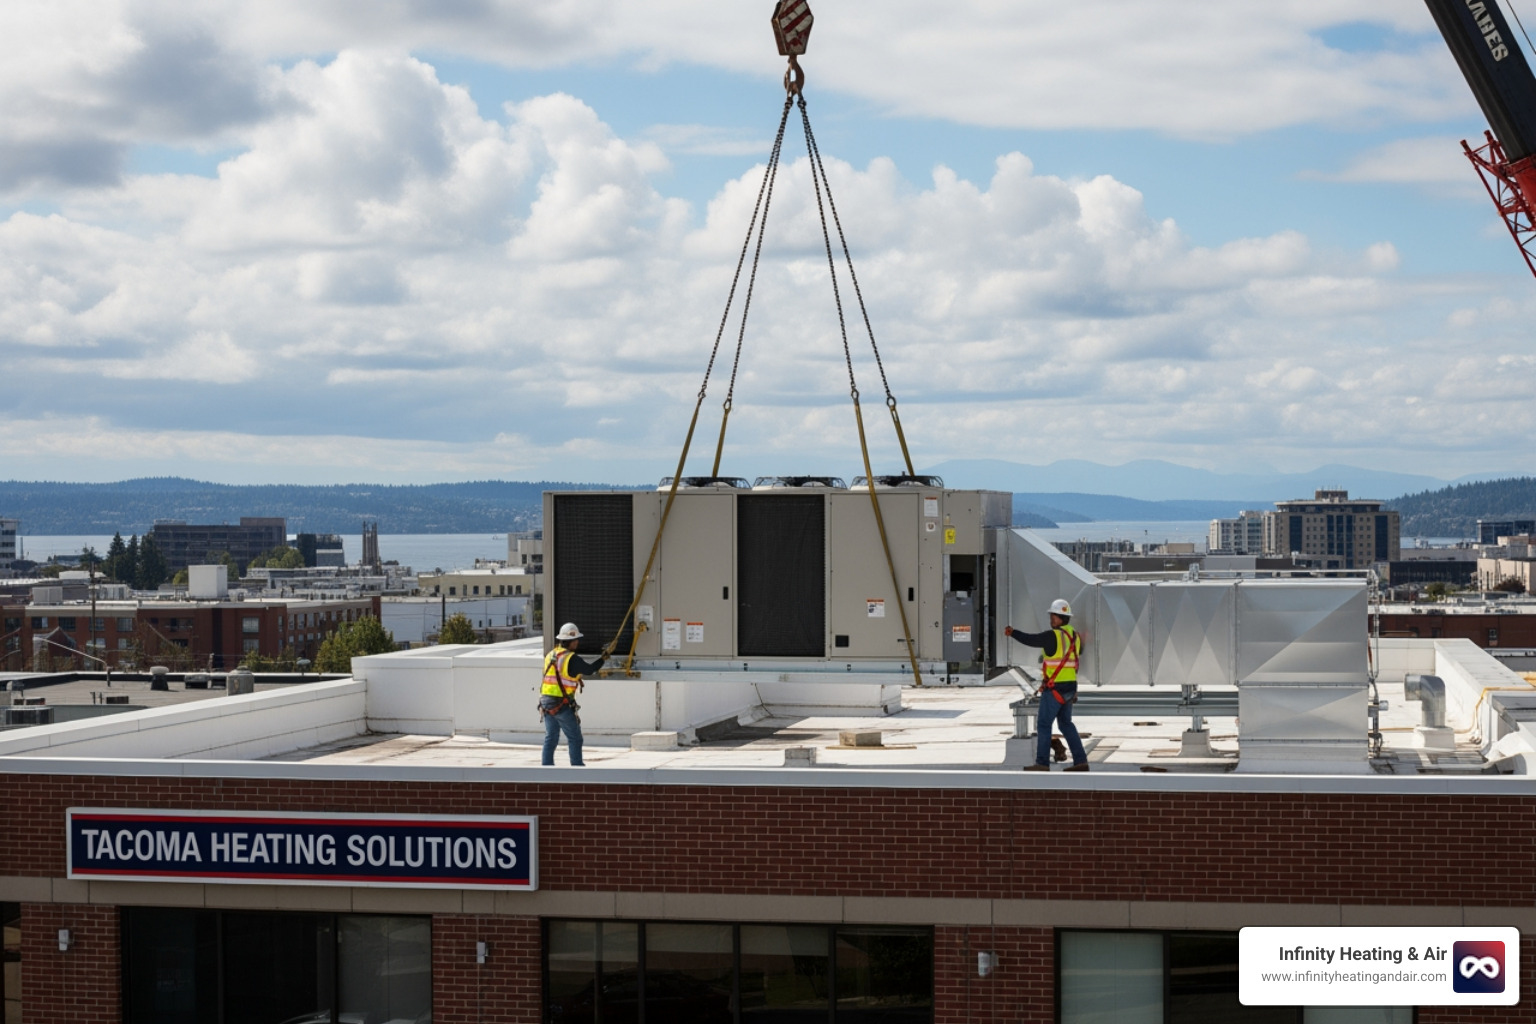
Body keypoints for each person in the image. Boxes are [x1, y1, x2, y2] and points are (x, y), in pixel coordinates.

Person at [1005, 598, 1089, 772]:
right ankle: (1080, 761)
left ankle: (1042, 763)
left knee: (1044, 724)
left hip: (1056, 689)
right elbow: (1074, 656)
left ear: (1061, 618)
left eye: (1054, 616)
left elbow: (1031, 639)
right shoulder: (1074, 636)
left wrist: (1013, 633)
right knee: (1066, 724)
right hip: (1070, 687)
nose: (1051, 619)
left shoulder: (1053, 636)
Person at [541, 622, 608, 767]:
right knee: (575, 738)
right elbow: (590, 670)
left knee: (551, 738)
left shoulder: (550, 655)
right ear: (570, 641)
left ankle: (546, 769)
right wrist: (603, 658)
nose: (577, 642)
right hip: (561, 703)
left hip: (545, 703)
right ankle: (577, 769)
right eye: (576, 640)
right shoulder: (571, 658)